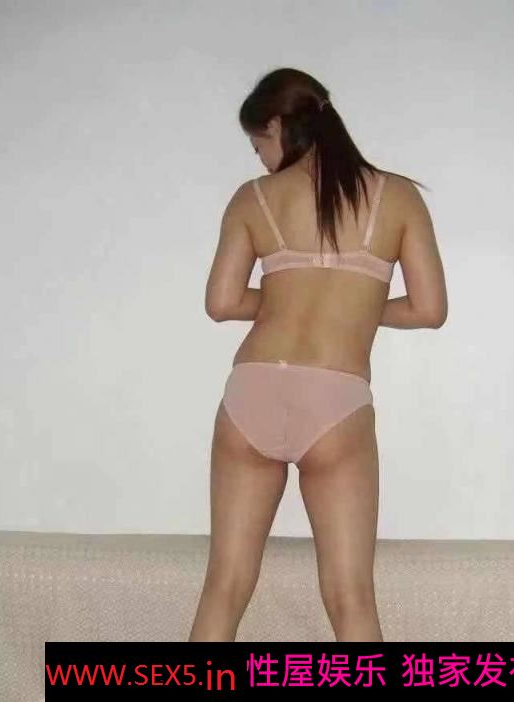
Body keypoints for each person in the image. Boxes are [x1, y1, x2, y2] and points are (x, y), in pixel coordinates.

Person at [188, 67, 447, 642]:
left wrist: (290, 296)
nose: (260, 159)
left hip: (253, 389)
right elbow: (429, 310)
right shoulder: (398, 196)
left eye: (258, 143)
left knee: (224, 587)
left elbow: (221, 303)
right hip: (334, 398)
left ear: (278, 125)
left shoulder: (253, 198)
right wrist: (353, 305)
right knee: (351, 598)